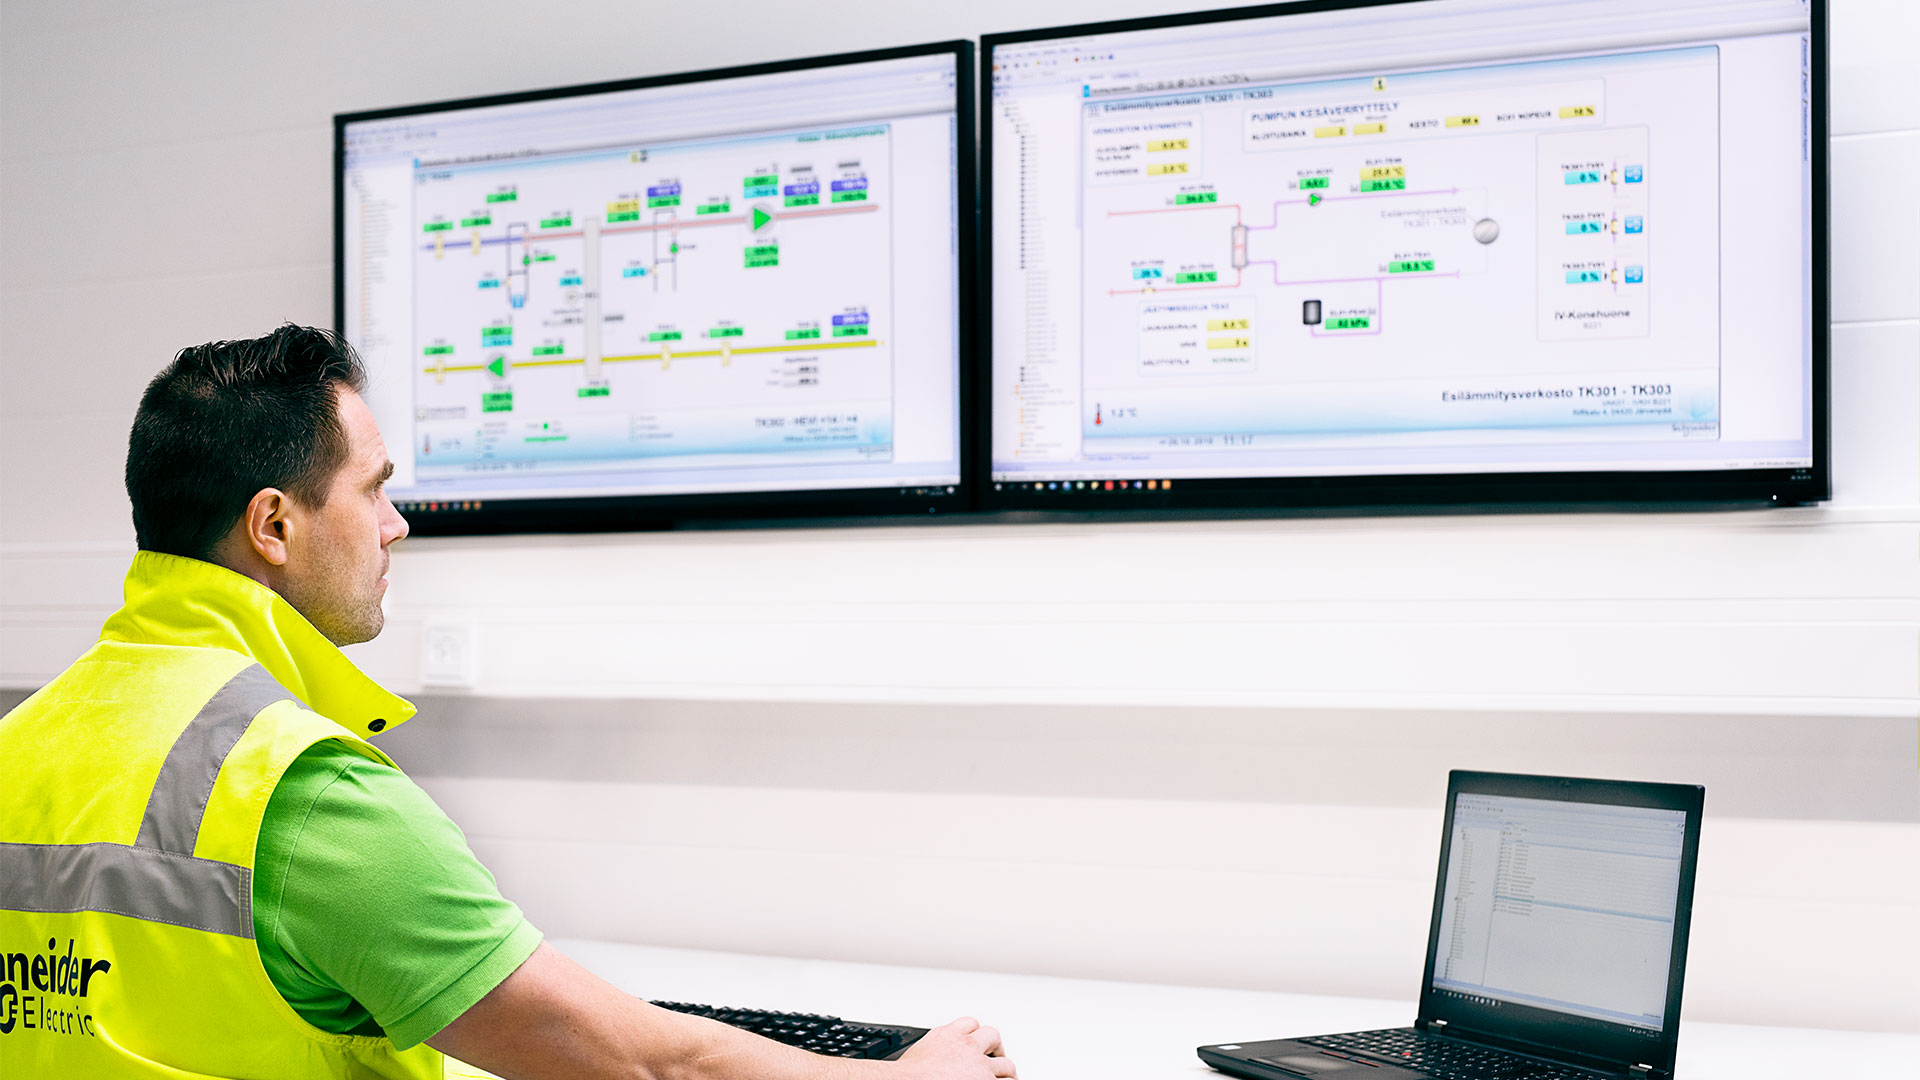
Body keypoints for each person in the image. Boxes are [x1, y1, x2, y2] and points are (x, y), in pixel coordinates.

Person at [0, 324, 1016, 1080]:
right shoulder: (299, 794)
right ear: (274, 526)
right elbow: (648, 1066)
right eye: (373, 489)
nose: (395, 525)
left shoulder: (20, 743)